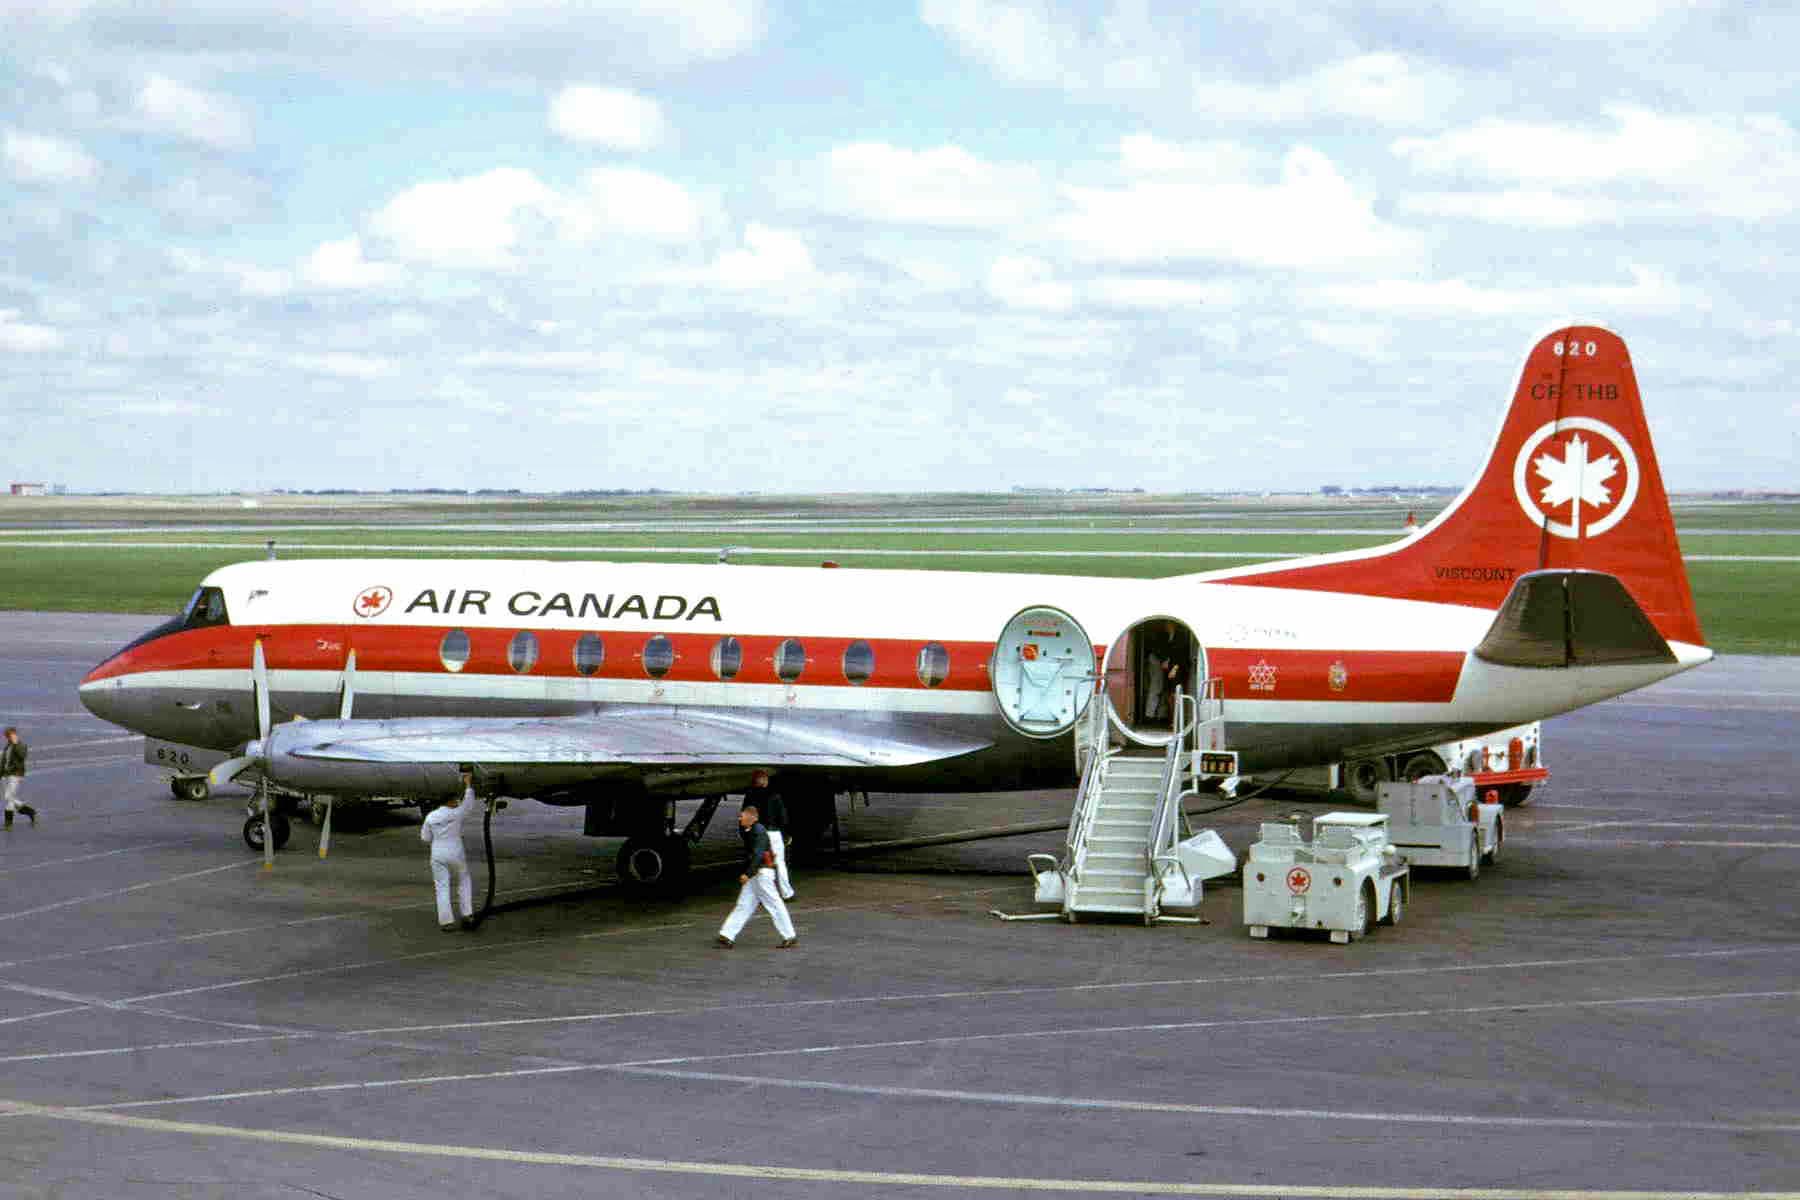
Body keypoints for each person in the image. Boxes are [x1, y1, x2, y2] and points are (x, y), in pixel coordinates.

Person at [716, 803, 797, 949]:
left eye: (742, 816)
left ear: (751, 817)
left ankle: (789, 935)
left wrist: (747, 874)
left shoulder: (758, 831)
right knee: (744, 904)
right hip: (757, 874)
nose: (740, 818)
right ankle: (727, 934)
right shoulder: (752, 830)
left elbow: (758, 854)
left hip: (761, 874)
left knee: (773, 904)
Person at [421, 770, 480, 931]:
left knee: (441, 886)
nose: (458, 802)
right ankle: (467, 915)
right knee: (464, 880)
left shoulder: (431, 816)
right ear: (451, 802)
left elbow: (425, 838)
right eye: (456, 800)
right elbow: (469, 804)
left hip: (438, 853)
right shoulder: (456, 813)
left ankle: (446, 922)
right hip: (455, 852)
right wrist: (468, 784)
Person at [745, 769, 795, 900]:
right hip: (774, 833)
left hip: (758, 833)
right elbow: (783, 817)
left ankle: (763, 895)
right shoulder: (775, 796)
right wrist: (786, 834)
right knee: (780, 863)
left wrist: (747, 835)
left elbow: (746, 816)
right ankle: (787, 893)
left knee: (760, 865)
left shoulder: (750, 796)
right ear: (766, 780)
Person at [2, 727, 33, 829]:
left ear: (14, 734)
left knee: (8, 797)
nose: (8, 737)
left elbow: (22, 756)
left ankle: (8, 824)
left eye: (9, 735)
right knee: (9, 797)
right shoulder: (8, 746)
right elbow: (4, 761)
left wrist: (16, 744)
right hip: (7, 774)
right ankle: (30, 812)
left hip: (16, 774)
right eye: (7, 736)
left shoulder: (21, 745)